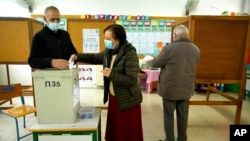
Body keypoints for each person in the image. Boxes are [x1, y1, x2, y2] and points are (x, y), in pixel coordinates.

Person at [71, 24, 144, 141]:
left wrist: (112, 74)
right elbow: (95, 57)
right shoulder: (109, 51)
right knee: (116, 132)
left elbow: (131, 80)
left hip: (127, 101)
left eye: (108, 39)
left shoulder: (130, 54)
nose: (106, 41)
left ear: (118, 40)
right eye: (105, 38)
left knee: (126, 134)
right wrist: (77, 56)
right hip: (115, 99)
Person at [146, 25, 200, 141]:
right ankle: (182, 138)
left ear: (175, 35)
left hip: (170, 89)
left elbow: (155, 63)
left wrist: (148, 61)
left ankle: (169, 139)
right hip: (186, 89)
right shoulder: (195, 49)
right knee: (183, 116)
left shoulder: (169, 48)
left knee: (168, 115)